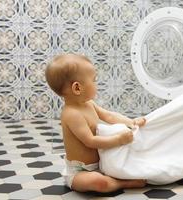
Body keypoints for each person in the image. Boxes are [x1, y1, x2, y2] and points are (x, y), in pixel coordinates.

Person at [45, 54, 146, 193]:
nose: (96, 84)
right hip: (80, 172)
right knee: (99, 183)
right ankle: (122, 183)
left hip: (100, 164)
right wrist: (119, 140)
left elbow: (109, 116)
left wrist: (131, 122)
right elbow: (90, 141)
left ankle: (116, 175)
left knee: (126, 159)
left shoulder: (88, 104)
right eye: (94, 80)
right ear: (77, 88)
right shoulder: (71, 114)